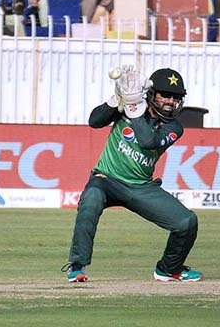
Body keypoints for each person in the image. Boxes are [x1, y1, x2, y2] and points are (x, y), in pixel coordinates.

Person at [64, 66, 204, 284]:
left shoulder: (174, 126)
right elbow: (94, 121)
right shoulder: (126, 107)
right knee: (90, 201)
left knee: (186, 222)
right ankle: (77, 265)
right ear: (151, 94)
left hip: (141, 187)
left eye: (175, 98)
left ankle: (169, 269)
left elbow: (147, 141)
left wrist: (134, 106)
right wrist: (116, 99)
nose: (170, 101)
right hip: (107, 179)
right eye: (165, 95)